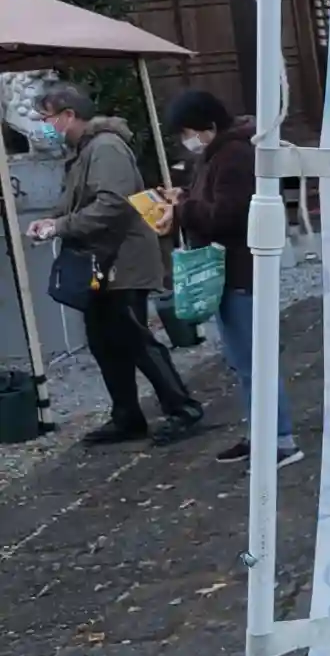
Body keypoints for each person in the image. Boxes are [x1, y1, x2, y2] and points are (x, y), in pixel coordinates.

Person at [26, 84, 204, 447]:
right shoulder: (87, 149)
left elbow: (113, 205)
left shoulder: (105, 148)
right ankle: (127, 416)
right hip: (104, 262)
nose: (43, 127)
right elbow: (76, 201)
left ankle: (183, 408)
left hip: (123, 260)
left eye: (46, 118)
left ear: (68, 115)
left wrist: (59, 226)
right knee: (104, 340)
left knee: (134, 338)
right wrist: (50, 220)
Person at [164, 90, 301, 469]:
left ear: (207, 126)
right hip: (230, 271)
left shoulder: (233, 155)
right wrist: (185, 198)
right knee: (244, 362)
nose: (187, 141)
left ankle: (280, 439)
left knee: (255, 361)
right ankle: (261, 434)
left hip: (239, 270)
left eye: (189, 132)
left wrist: (183, 208)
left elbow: (227, 215)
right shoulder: (220, 153)